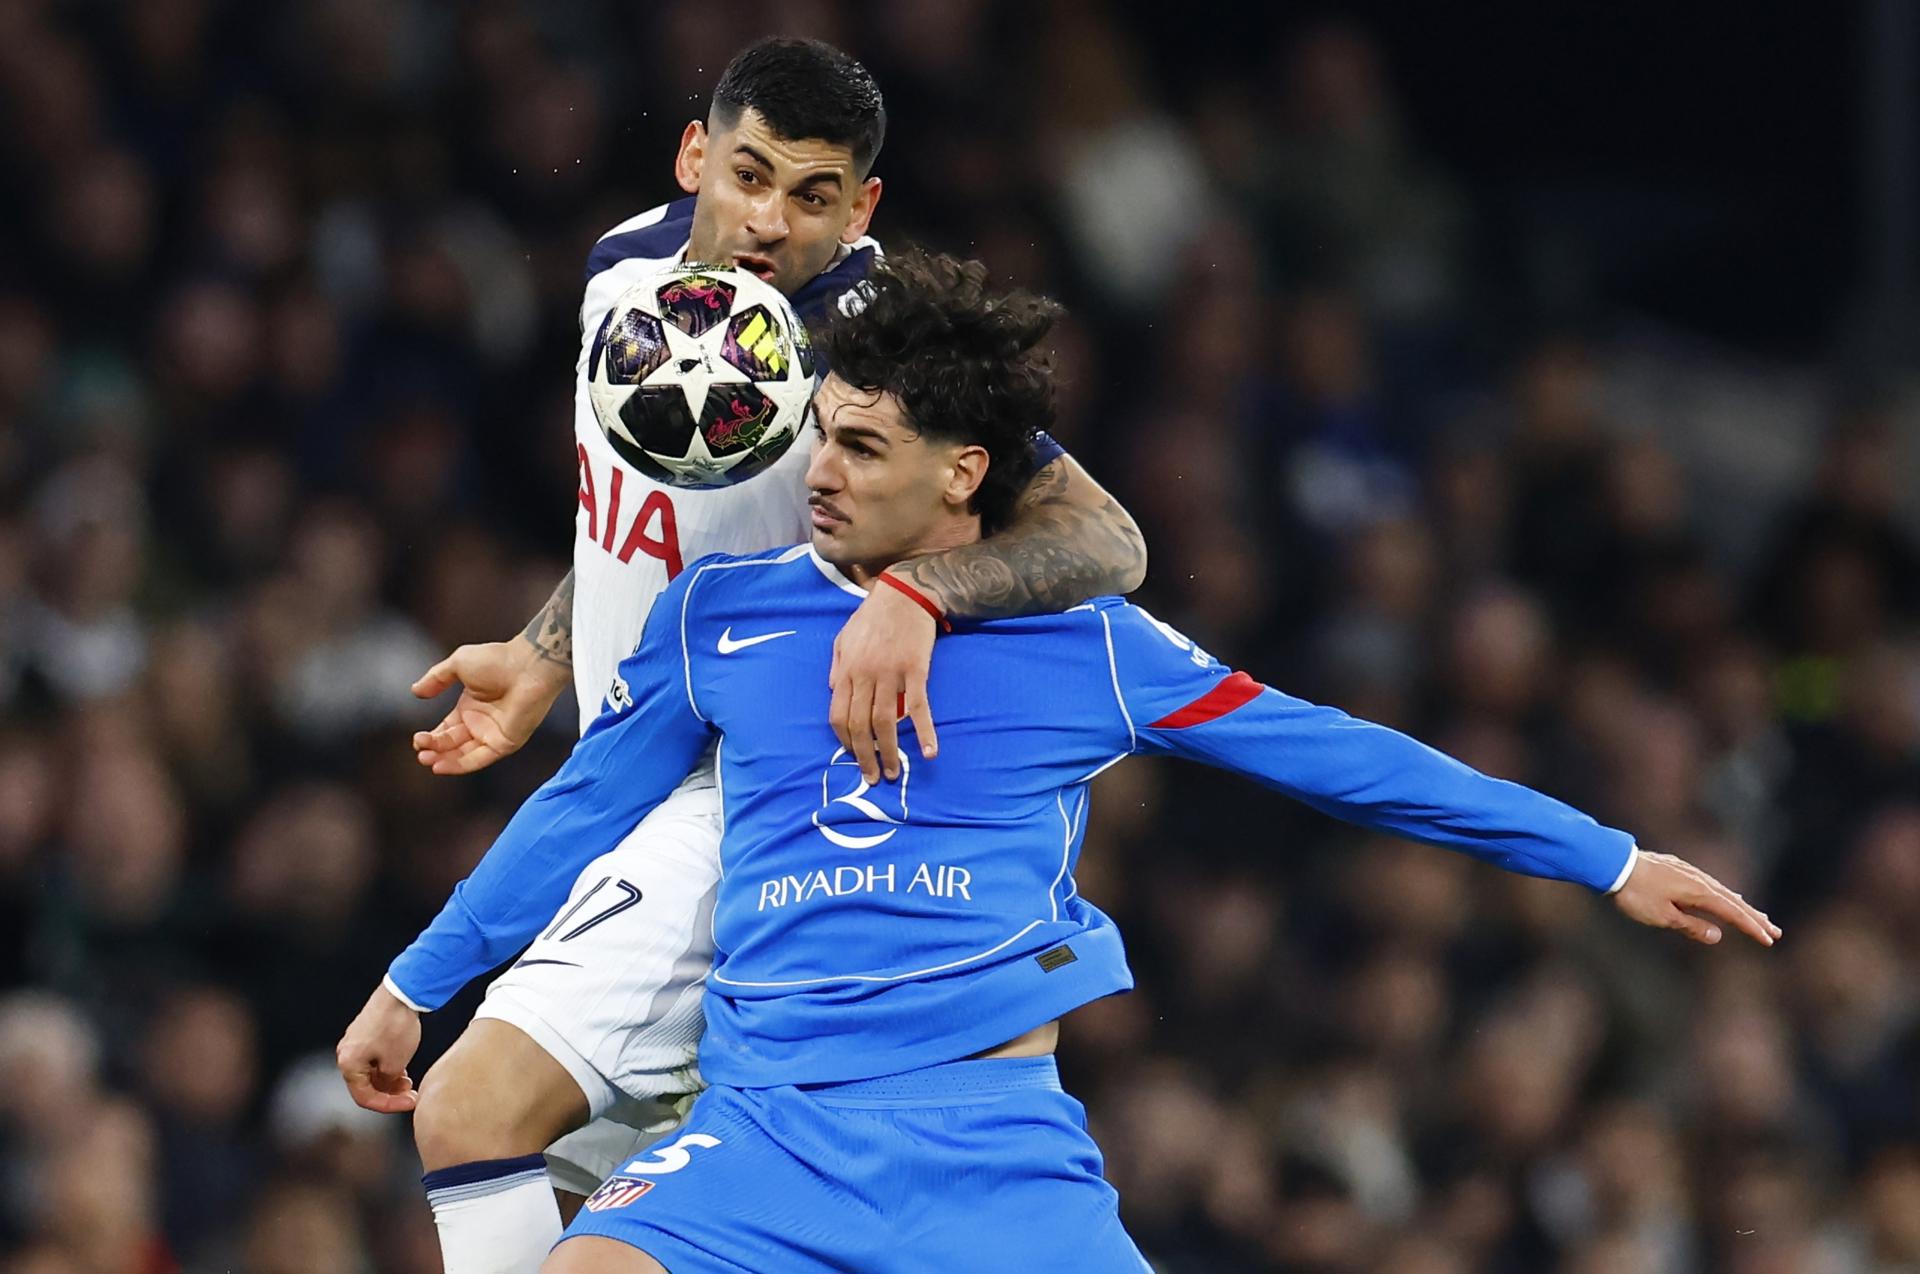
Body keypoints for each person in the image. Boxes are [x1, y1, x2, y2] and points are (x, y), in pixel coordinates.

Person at [372, 250, 1780, 1274]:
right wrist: (413, 987)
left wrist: (1608, 856)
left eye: (861, 446)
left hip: (987, 1151)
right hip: (764, 1131)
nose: (820, 472)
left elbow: (1344, 757)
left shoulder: (1093, 644)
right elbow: (575, 812)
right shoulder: (718, 616)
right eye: (817, 435)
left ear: (963, 472)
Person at [331, 38, 1148, 1274]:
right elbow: (674, 520)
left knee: (473, 1109)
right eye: (751, 176)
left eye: (815, 196)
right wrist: (551, 649)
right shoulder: (624, 270)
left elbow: (1107, 538)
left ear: (861, 208)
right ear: (693, 157)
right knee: (598, 1214)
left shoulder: (880, 352)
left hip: (751, 802)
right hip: (627, 776)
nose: (771, 221)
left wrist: (920, 592)